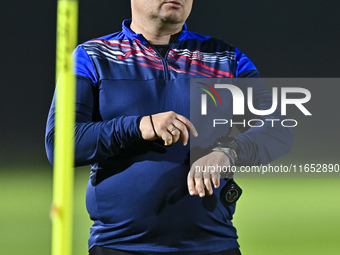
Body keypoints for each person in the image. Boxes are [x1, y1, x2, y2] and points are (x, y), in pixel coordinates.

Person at [45, 0, 293, 254]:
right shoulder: (92, 56)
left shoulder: (226, 58)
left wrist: (229, 152)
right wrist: (139, 126)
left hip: (214, 244)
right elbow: (60, 144)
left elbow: (279, 129)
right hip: (118, 245)